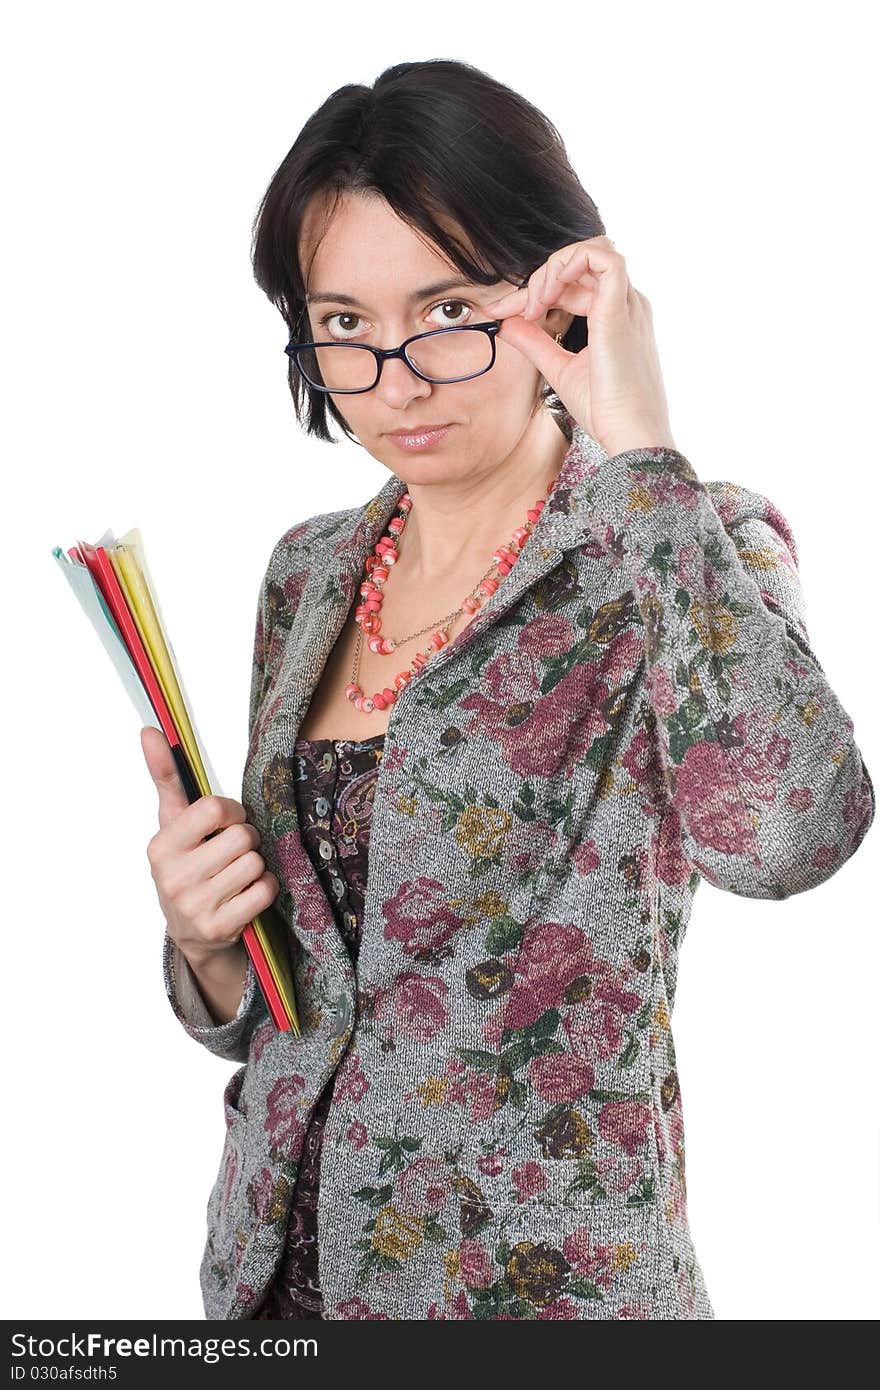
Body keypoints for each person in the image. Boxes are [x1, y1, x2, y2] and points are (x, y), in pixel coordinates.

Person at [141, 58, 875, 1321]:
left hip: (539, 1297)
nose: (396, 378)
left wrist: (641, 448)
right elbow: (311, 990)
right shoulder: (309, 574)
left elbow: (791, 836)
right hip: (273, 1280)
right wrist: (206, 946)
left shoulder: (685, 540)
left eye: (445, 311)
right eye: (344, 326)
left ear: (552, 292)